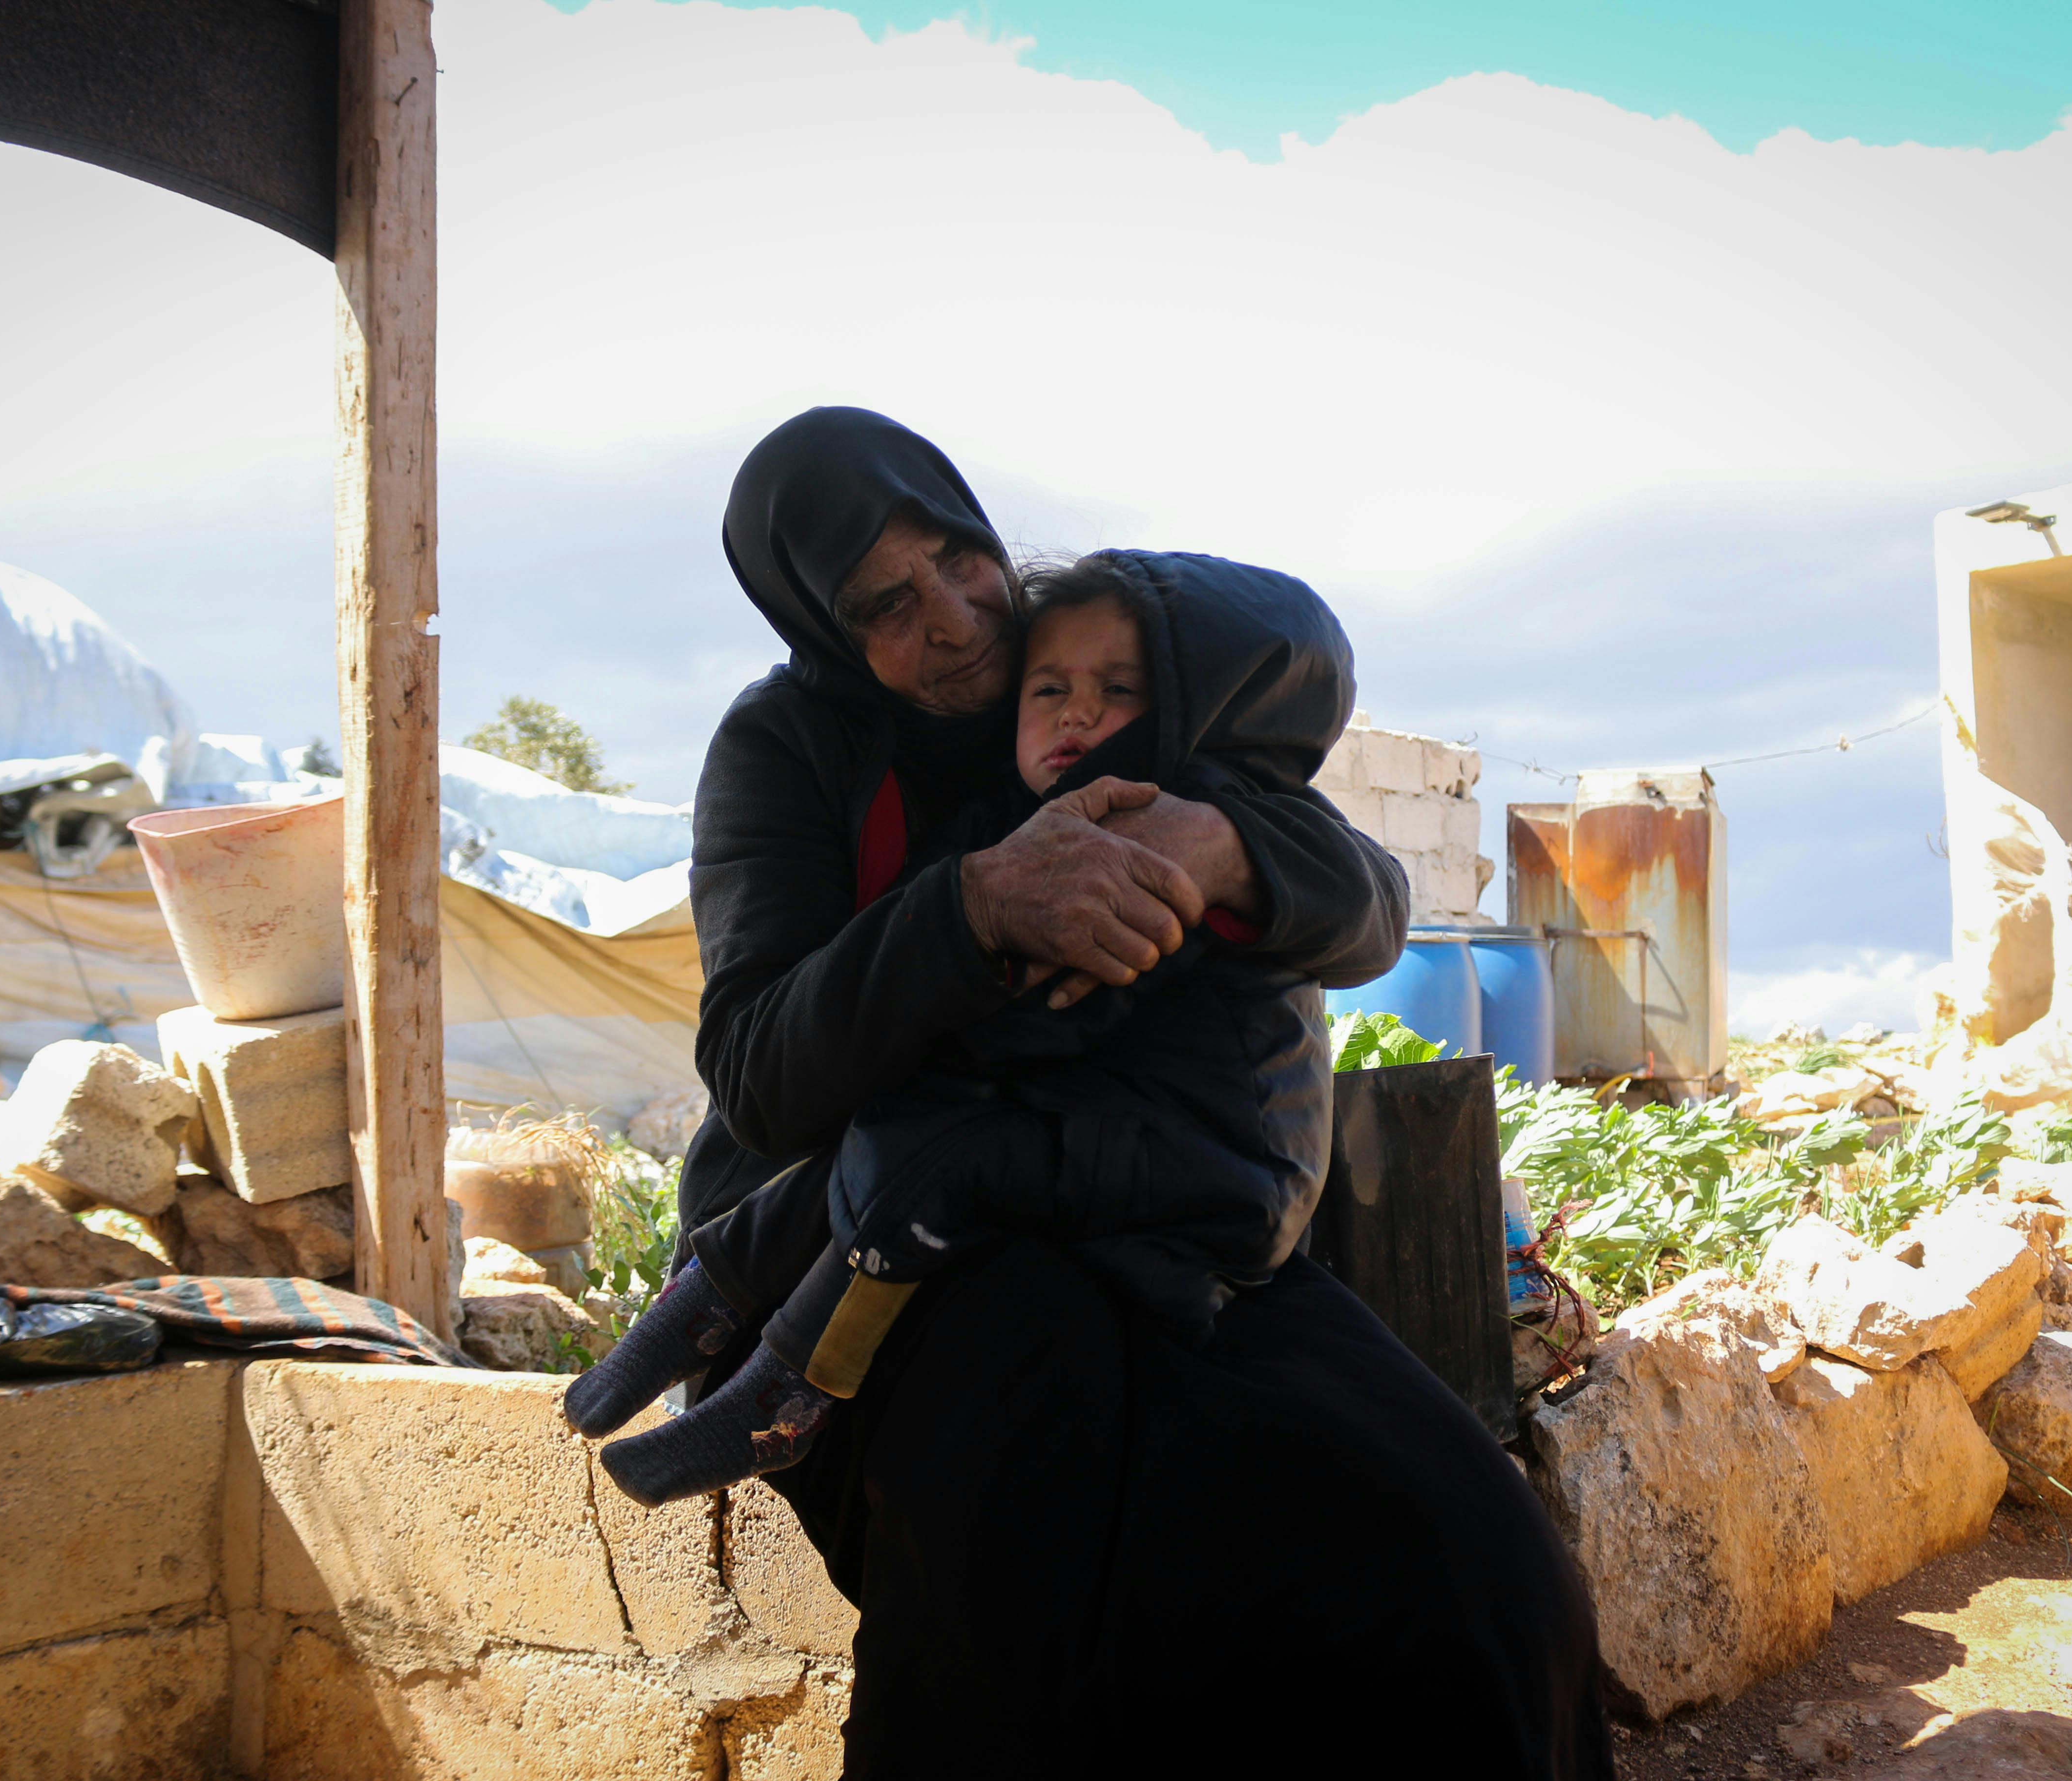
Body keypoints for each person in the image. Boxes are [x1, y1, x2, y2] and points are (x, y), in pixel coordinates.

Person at [581, 406, 1612, 1778]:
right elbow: (762, 1074)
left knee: (1463, 1548)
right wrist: (973, 907)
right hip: (862, 1248)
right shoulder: (789, 750)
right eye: (884, 604)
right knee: (1034, 1533)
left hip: (1145, 1206)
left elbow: (1368, 904)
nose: (954, 618)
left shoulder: (1105, 677)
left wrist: (1223, 846)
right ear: (820, 626)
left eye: (959, 558)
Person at [572, 548, 1360, 1508]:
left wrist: (950, 1008)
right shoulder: (867, 768)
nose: (1076, 715)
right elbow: (776, 1060)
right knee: (877, 1150)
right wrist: (962, 929)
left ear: (1188, 703)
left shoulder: (1165, 825)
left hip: (1207, 1161)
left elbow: (1059, 1014)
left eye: (1118, 691)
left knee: (927, 1160)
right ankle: (701, 1305)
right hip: (1095, 1123)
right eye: (1050, 689)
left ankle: (788, 1393)